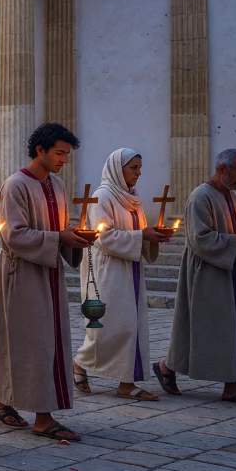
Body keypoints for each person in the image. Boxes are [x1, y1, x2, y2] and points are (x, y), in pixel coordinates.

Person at [0, 123, 93, 442]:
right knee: (32, 343)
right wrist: (59, 237)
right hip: (23, 274)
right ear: (40, 150)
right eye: (59, 153)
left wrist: (76, 237)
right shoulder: (16, 185)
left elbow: (61, 227)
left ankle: (0, 400)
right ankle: (43, 418)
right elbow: (13, 234)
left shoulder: (57, 185)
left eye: (67, 154)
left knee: (45, 341)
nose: (64, 160)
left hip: (49, 271)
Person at [157, 149, 236, 405]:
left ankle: (170, 367)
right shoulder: (201, 196)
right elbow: (200, 239)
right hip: (205, 272)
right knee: (211, 327)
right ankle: (228, 386)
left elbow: (232, 231)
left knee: (222, 326)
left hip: (226, 269)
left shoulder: (229, 196)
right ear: (222, 169)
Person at [73, 149, 169, 400]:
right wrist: (141, 236)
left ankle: (126, 383)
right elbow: (103, 237)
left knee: (131, 325)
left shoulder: (132, 197)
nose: (139, 173)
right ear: (118, 168)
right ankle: (81, 361)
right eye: (133, 168)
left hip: (130, 266)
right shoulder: (102, 196)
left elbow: (137, 229)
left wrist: (151, 235)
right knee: (109, 325)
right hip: (108, 269)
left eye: (140, 167)